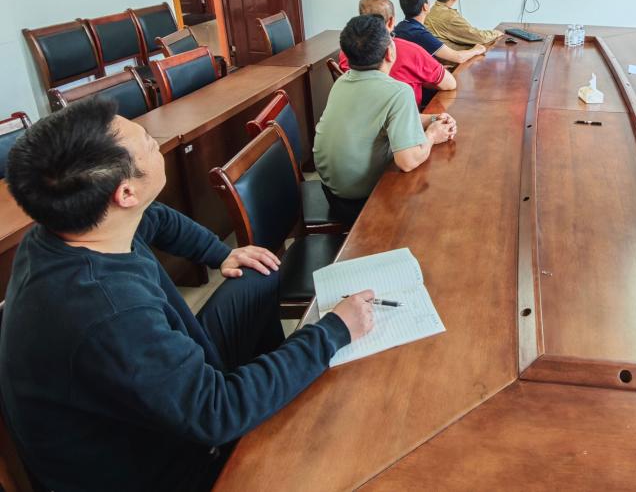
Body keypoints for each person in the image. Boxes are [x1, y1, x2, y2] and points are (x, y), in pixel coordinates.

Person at [0, 98, 377, 492]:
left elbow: (157, 219)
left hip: (167, 385)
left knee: (258, 273)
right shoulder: (107, 313)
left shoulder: (74, 226)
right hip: (159, 466)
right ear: (125, 193)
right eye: (148, 143)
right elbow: (215, 412)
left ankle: (267, 395)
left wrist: (221, 253)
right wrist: (333, 331)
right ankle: (260, 412)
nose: (156, 142)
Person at [315, 14, 456, 221]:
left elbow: (382, 119)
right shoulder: (398, 92)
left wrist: (431, 120)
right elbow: (407, 161)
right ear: (390, 52)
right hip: (363, 201)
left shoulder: (343, 81)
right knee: (439, 190)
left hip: (331, 191)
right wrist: (433, 136)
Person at [337, 0, 456, 106]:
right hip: (409, 115)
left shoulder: (347, 51)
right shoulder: (411, 51)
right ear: (391, 21)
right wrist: (425, 76)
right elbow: (450, 84)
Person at [395, 0, 486, 65]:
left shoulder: (399, 27)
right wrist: (476, 50)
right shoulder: (420, 34)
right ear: (425, 7)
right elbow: (458, 57)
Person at [424, 0, 502, 50]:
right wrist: (497, 33)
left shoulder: (432, 10)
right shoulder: (450, 17)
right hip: (456, 58)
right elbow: (479, 37)